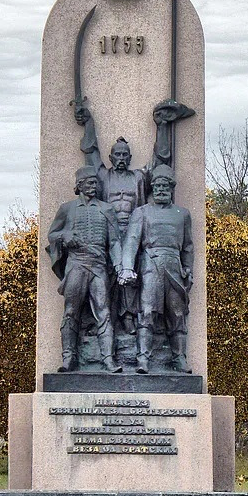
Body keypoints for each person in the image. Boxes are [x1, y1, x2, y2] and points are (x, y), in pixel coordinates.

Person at [74, 99, 193, 337]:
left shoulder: (139, 178)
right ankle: (100, 321)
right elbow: (90, 152)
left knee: (134, 276)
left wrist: (162, 127)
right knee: (106, 277)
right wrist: (88, 123)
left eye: (124, 154)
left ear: (129, 158)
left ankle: (130, 317)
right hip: (107, 232)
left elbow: (160, 162)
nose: (120, 157)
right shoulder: (102, 176)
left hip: (135, 231)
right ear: (110, 156)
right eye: (116, 154)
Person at [119, 164, 194, 374]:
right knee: (147, 312)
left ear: (171, 188)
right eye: (157, 186)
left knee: (177, 313)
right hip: (151, 264)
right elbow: (131, 243)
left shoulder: (183, 215)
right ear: (152, 188)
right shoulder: (141, 213)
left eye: (165, 186)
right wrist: (127, 268)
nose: (161, 190)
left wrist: (188, 269)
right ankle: (143, 358)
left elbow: (188, 246)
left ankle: (179, 358)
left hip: (174, 265)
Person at [47, 166, 122, 373]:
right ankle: (69, 358)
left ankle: (108, 359)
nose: (93, 187)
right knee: (71, 311)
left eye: (96, 183)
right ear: (79, 185)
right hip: (76, 264)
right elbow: (53, 234)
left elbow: (114, 241)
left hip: (98, 265)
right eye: (89, 183)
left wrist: (119, 265)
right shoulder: (67, 209)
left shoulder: (106, 209)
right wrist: (64, 236)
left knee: (104, 311)